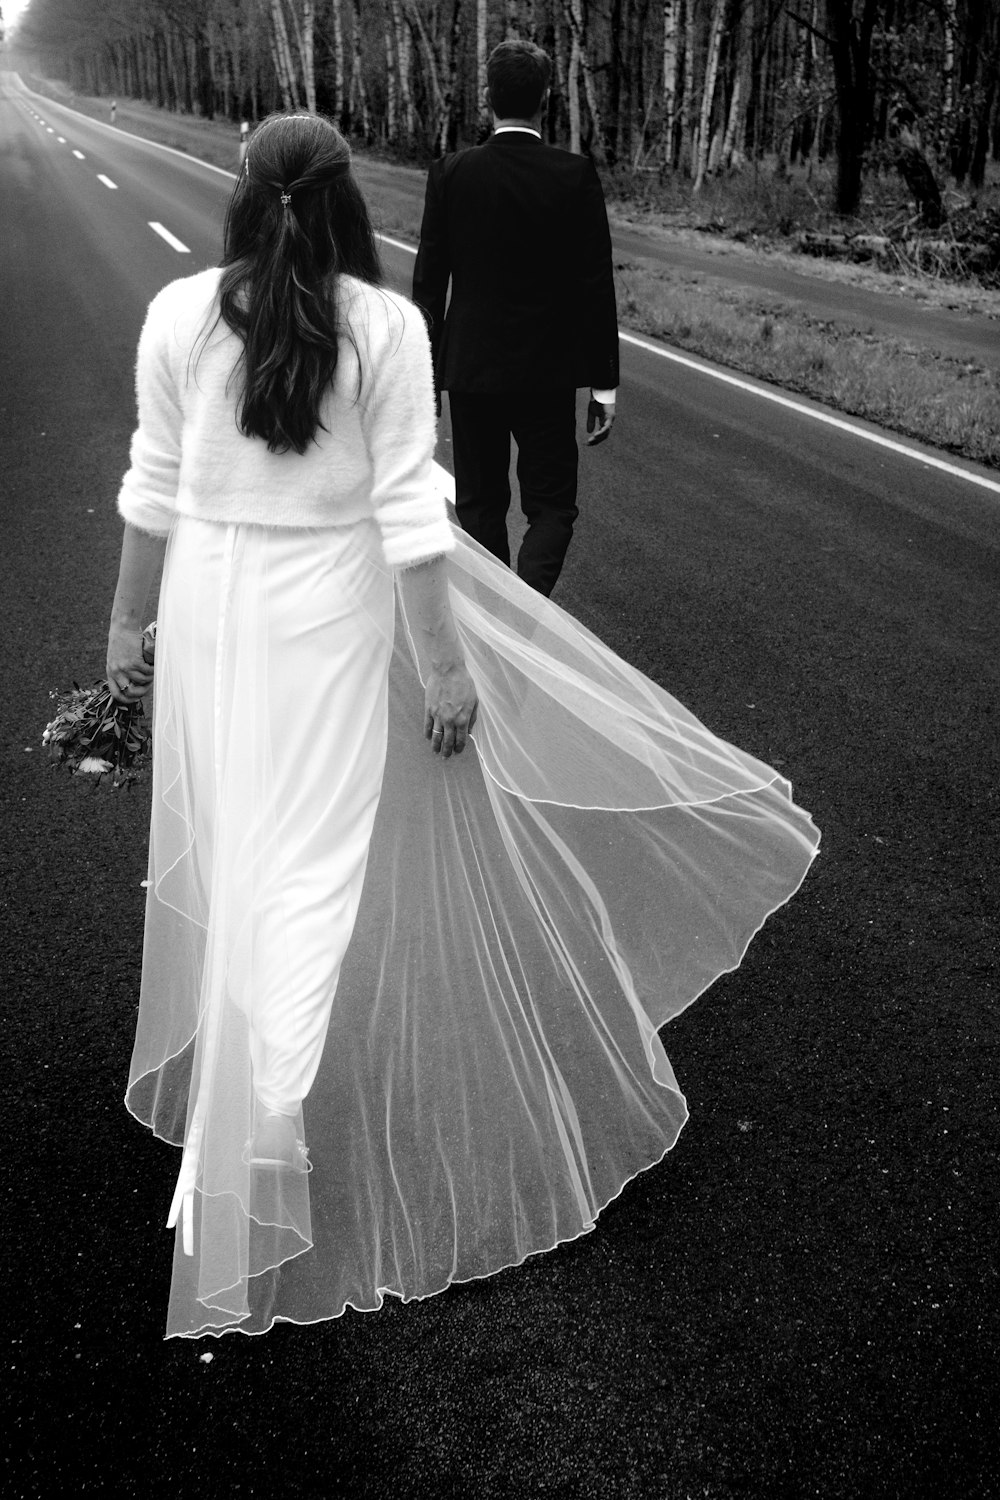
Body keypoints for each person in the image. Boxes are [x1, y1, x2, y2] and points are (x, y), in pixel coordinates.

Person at [107, 113, 819, 1340]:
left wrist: (124, 633)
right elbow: (407, 522)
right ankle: (261, 1110)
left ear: (238, 199)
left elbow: (153, 489)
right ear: (338, 205)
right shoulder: (384, 328)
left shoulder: (178, 315)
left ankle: (246, 1111)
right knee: (314, 864)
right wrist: (443, 671)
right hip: (327, 610)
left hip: (209, 612)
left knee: (237, 853)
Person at [412, 39, 619, 597]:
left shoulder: (451, 174)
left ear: (488, 99)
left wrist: (425, 389)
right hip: (546, 375)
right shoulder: (574, 175)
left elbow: (428, 289)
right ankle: (527, 616)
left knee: (479, 506)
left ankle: (502, 617)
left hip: (471, 370)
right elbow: (595, 283)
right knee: (552, 507)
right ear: (545, 99)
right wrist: (604, 384)